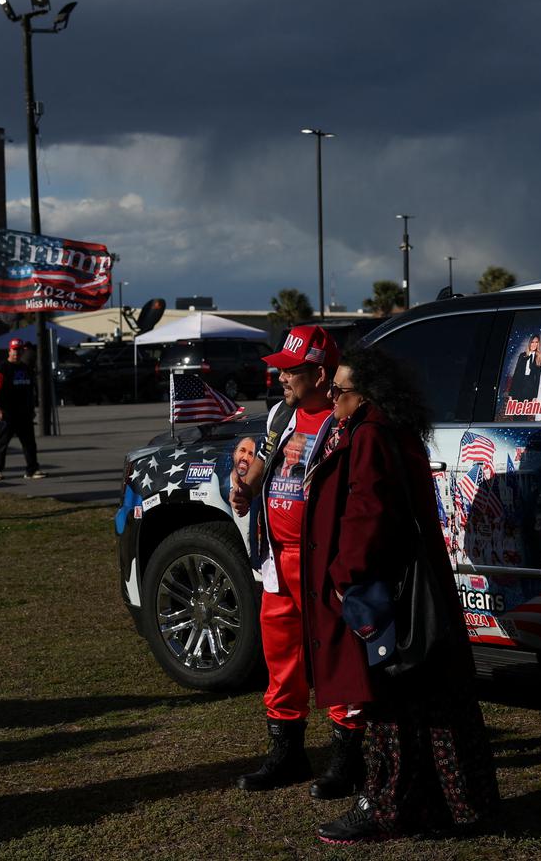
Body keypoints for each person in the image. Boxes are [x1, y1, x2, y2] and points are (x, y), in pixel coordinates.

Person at [307, 345, 497, 845]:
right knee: (433, 705)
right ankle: (452, 805)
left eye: (340, 389)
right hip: (419, 588)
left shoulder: (369, 435)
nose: (331, 396)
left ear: (366, 394)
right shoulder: (396, 428)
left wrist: (344, 575)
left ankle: (387, 808)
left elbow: (368, 512)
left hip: (392, 594)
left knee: (392, 705)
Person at [227, 325, 364, 798]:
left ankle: (349, 759)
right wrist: (242, 486)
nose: (282, 378)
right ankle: (287, 754)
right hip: (276, 561)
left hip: (322, 564)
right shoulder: (281, 415)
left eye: (292, 370)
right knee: (281, 659)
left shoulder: (346, 417)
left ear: (321, 373)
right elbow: (258, 466)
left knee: (336, 656)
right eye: (281, 369)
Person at [0, 338, 44, 480]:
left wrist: (31, 410)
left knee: (29, 442)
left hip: (24, 413)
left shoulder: (26, 368)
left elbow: (30, 391)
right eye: (14, 350)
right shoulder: (2, 368)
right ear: (9, 350)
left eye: (19, 350)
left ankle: (32, 469)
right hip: (6, 412)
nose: (17, 353)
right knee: (2, 442)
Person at [507, 334, 541, 400]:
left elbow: (537, 376)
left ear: (538, 344)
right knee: (516, 409)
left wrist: (535, 395)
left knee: (525, 409)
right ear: (530, 343)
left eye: (536, 342)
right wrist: (511, 393)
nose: (534, 344)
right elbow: (516, 373)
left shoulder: (539, 356)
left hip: (529, 389)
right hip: (518, 386)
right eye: (532, 342)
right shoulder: (522, 355)